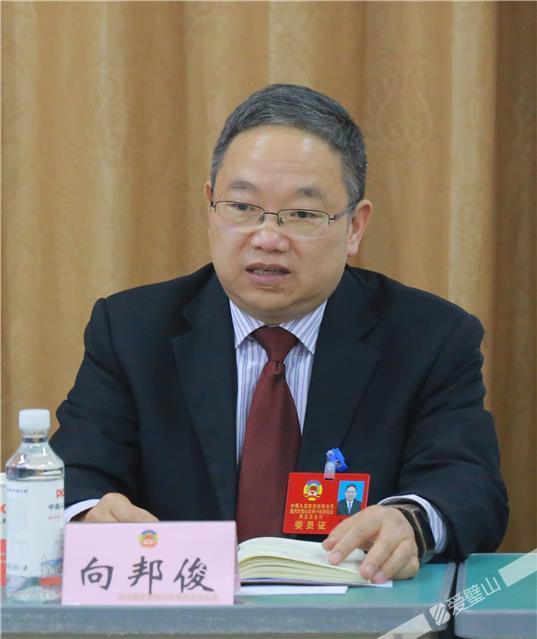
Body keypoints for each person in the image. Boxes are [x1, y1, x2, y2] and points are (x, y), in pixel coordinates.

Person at [51, 84, 508, 585]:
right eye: (242, 207)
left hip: (356, 614)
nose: (268, 238)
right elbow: (75, 473)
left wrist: (412, 521)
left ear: (355, 227)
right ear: (210, 206)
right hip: (180, 608)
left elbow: (469, 485)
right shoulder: (133, 331)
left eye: (302, 215)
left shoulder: (429, 338)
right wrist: (87, 515)